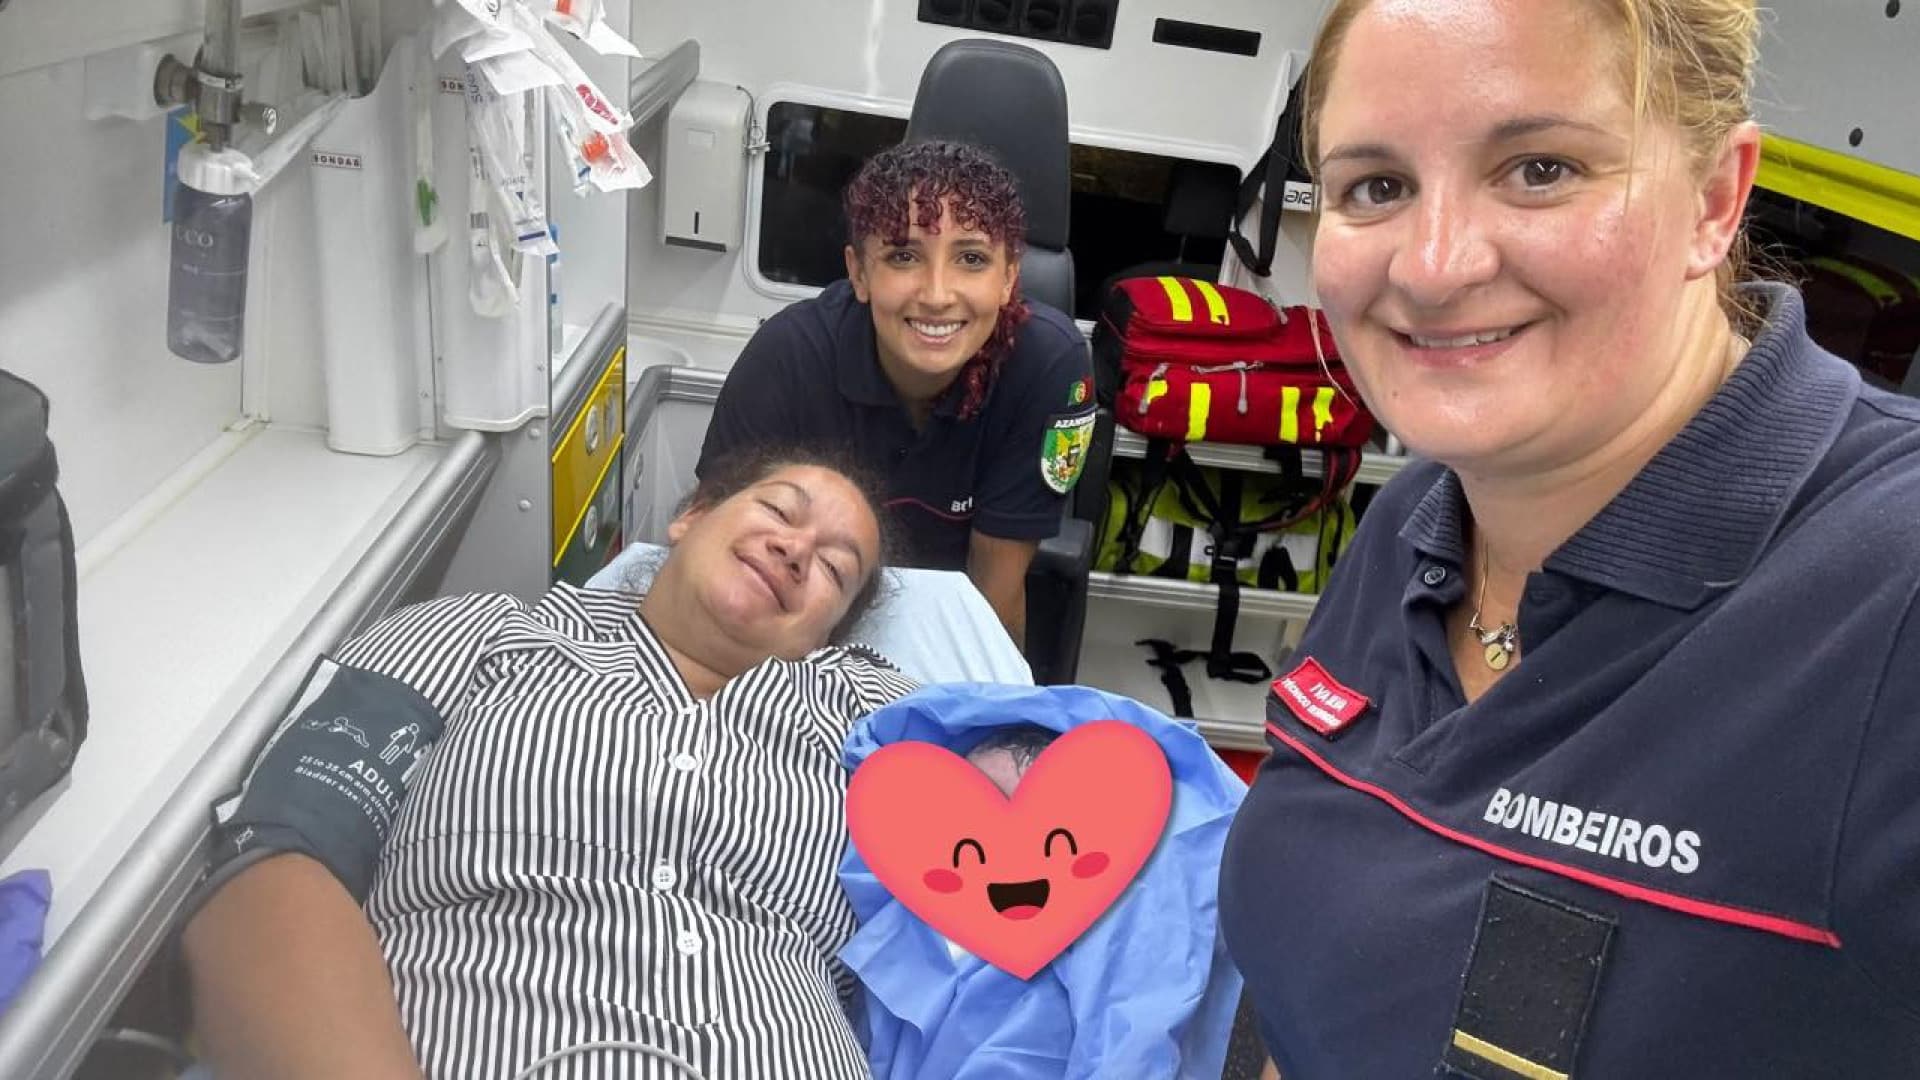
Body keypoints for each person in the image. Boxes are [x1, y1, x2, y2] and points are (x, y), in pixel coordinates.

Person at [1217, 1, 1920, 1077]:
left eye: (1540, 168)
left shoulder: (1891, 591)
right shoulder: (1421, 518)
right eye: (1377, 186)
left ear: (1716, 200)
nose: (1434, 266)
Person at [180, 448, 920, 1080]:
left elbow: (1027, 807)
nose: (796, 549)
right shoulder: (476, 634)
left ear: (830, 636)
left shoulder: (871, 716)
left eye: (834, 566)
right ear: (691, 516)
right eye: (779, 512)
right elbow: (275, 866)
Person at [699, 140, 1097, 649]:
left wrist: (1000, 717)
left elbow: (991, 597)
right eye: (904, 255)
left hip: (945, 622)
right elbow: (719, 556)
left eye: (971, 258)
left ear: (1009, 278)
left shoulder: (1049, 365)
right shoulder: (787, 355)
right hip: (799, 617)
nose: (935, 294)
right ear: (859, 273)